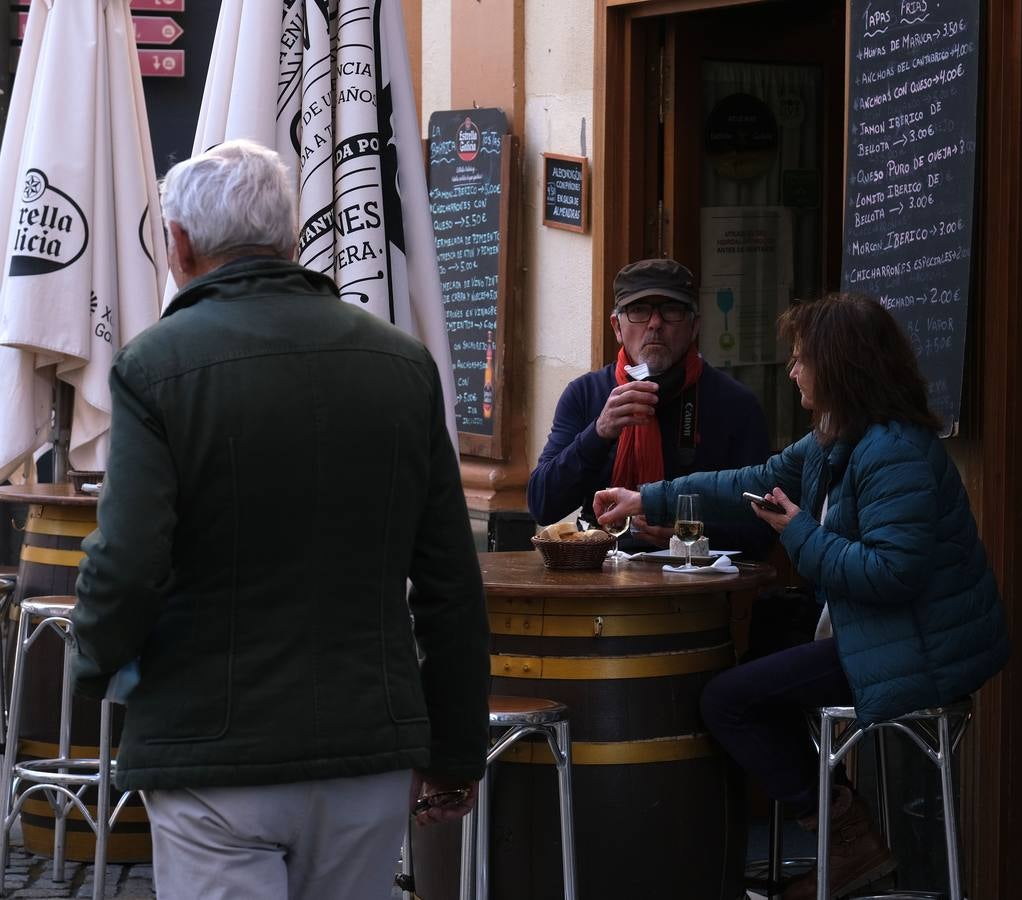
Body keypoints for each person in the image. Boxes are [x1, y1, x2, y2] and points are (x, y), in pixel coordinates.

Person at [70, 139, 490, 900]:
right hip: (365, 745)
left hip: (211, 747)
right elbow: (449, 581)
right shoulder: (401, 363)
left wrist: (93, 664)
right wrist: (456, 746)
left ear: (182, 244)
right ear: (290, 239)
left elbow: (127, 559)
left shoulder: (155, 364)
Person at [595, 293, 1010, 900]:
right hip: (876, 634)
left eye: (800, 360)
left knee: (729, 699)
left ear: (840, 368)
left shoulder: (893, 452)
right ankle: (829, 835)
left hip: (916, 648)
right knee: (746, 669)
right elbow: (753, 480)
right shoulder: (839, 439)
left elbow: (893, 574)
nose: (791, 372)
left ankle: (843, 834)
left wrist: (799, 533)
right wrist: (647, 498)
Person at [528, 257, 773, 556]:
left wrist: (694, 534)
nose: (655, 324)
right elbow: (542, 505)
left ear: (695, 325)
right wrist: (599, 433)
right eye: (639, 310)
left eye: (671, 310)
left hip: (697, 586)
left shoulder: (735, 404)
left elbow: (763, 528)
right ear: (616, 327)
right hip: (599, 579)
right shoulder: (585, 394)